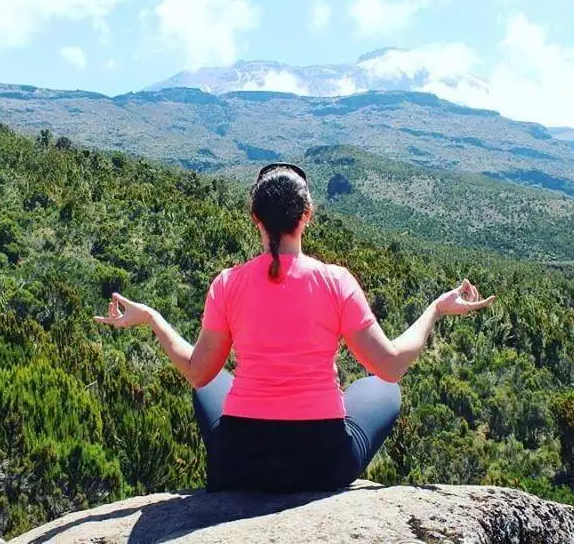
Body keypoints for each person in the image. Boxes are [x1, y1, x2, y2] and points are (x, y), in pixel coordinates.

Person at [95, 162, 495, 493]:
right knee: (381, 388)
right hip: (321, 462)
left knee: (211, 382)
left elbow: (199, 372)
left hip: (241, 461)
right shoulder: (335, 280)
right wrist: (435, 310)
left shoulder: (227, 283)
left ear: (255, 218)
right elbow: (389, 366)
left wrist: (152, 318)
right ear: (307, 214)